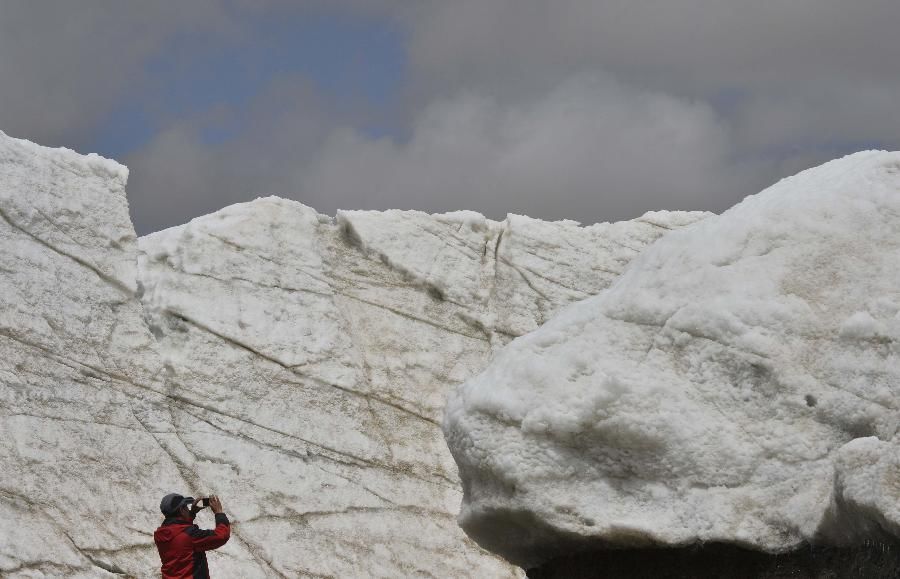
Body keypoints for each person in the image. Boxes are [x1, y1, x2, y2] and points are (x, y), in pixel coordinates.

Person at [154, 493, 230, 579]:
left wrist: (191, 513)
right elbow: (221, 536)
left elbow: (180, 533)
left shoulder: (159, 534)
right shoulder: (189, 535)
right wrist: (219, 512)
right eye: (186, 507)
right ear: (182, 510)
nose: (187, 509)